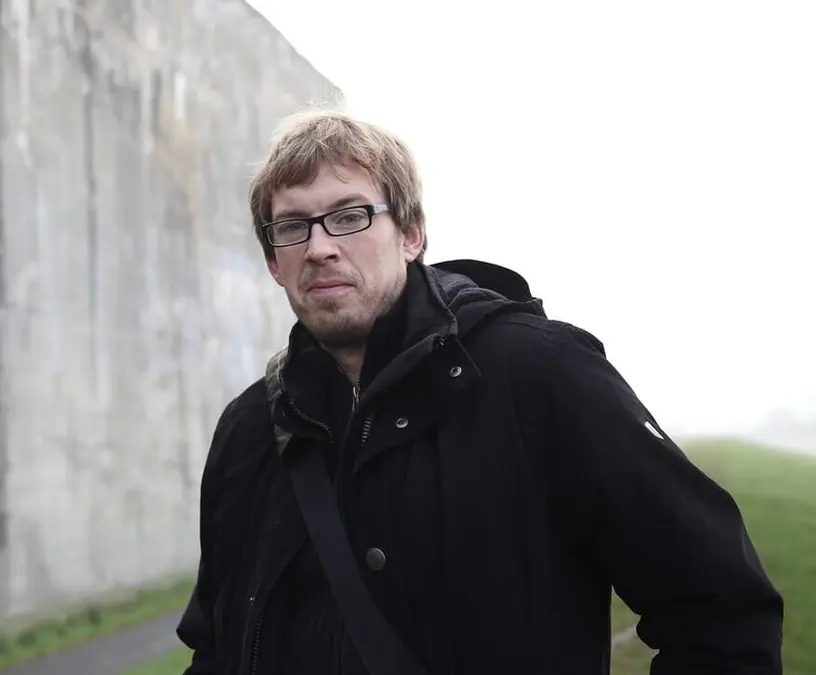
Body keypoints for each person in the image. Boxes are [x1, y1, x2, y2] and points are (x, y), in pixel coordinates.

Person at [175, 107, 784, 674]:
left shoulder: (541, 376)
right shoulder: (250, 428)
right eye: (292, 227)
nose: (320, 248)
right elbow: (216, 646)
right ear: (273, 262)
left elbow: (722, 613)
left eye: (350, 216)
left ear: (411, 234)